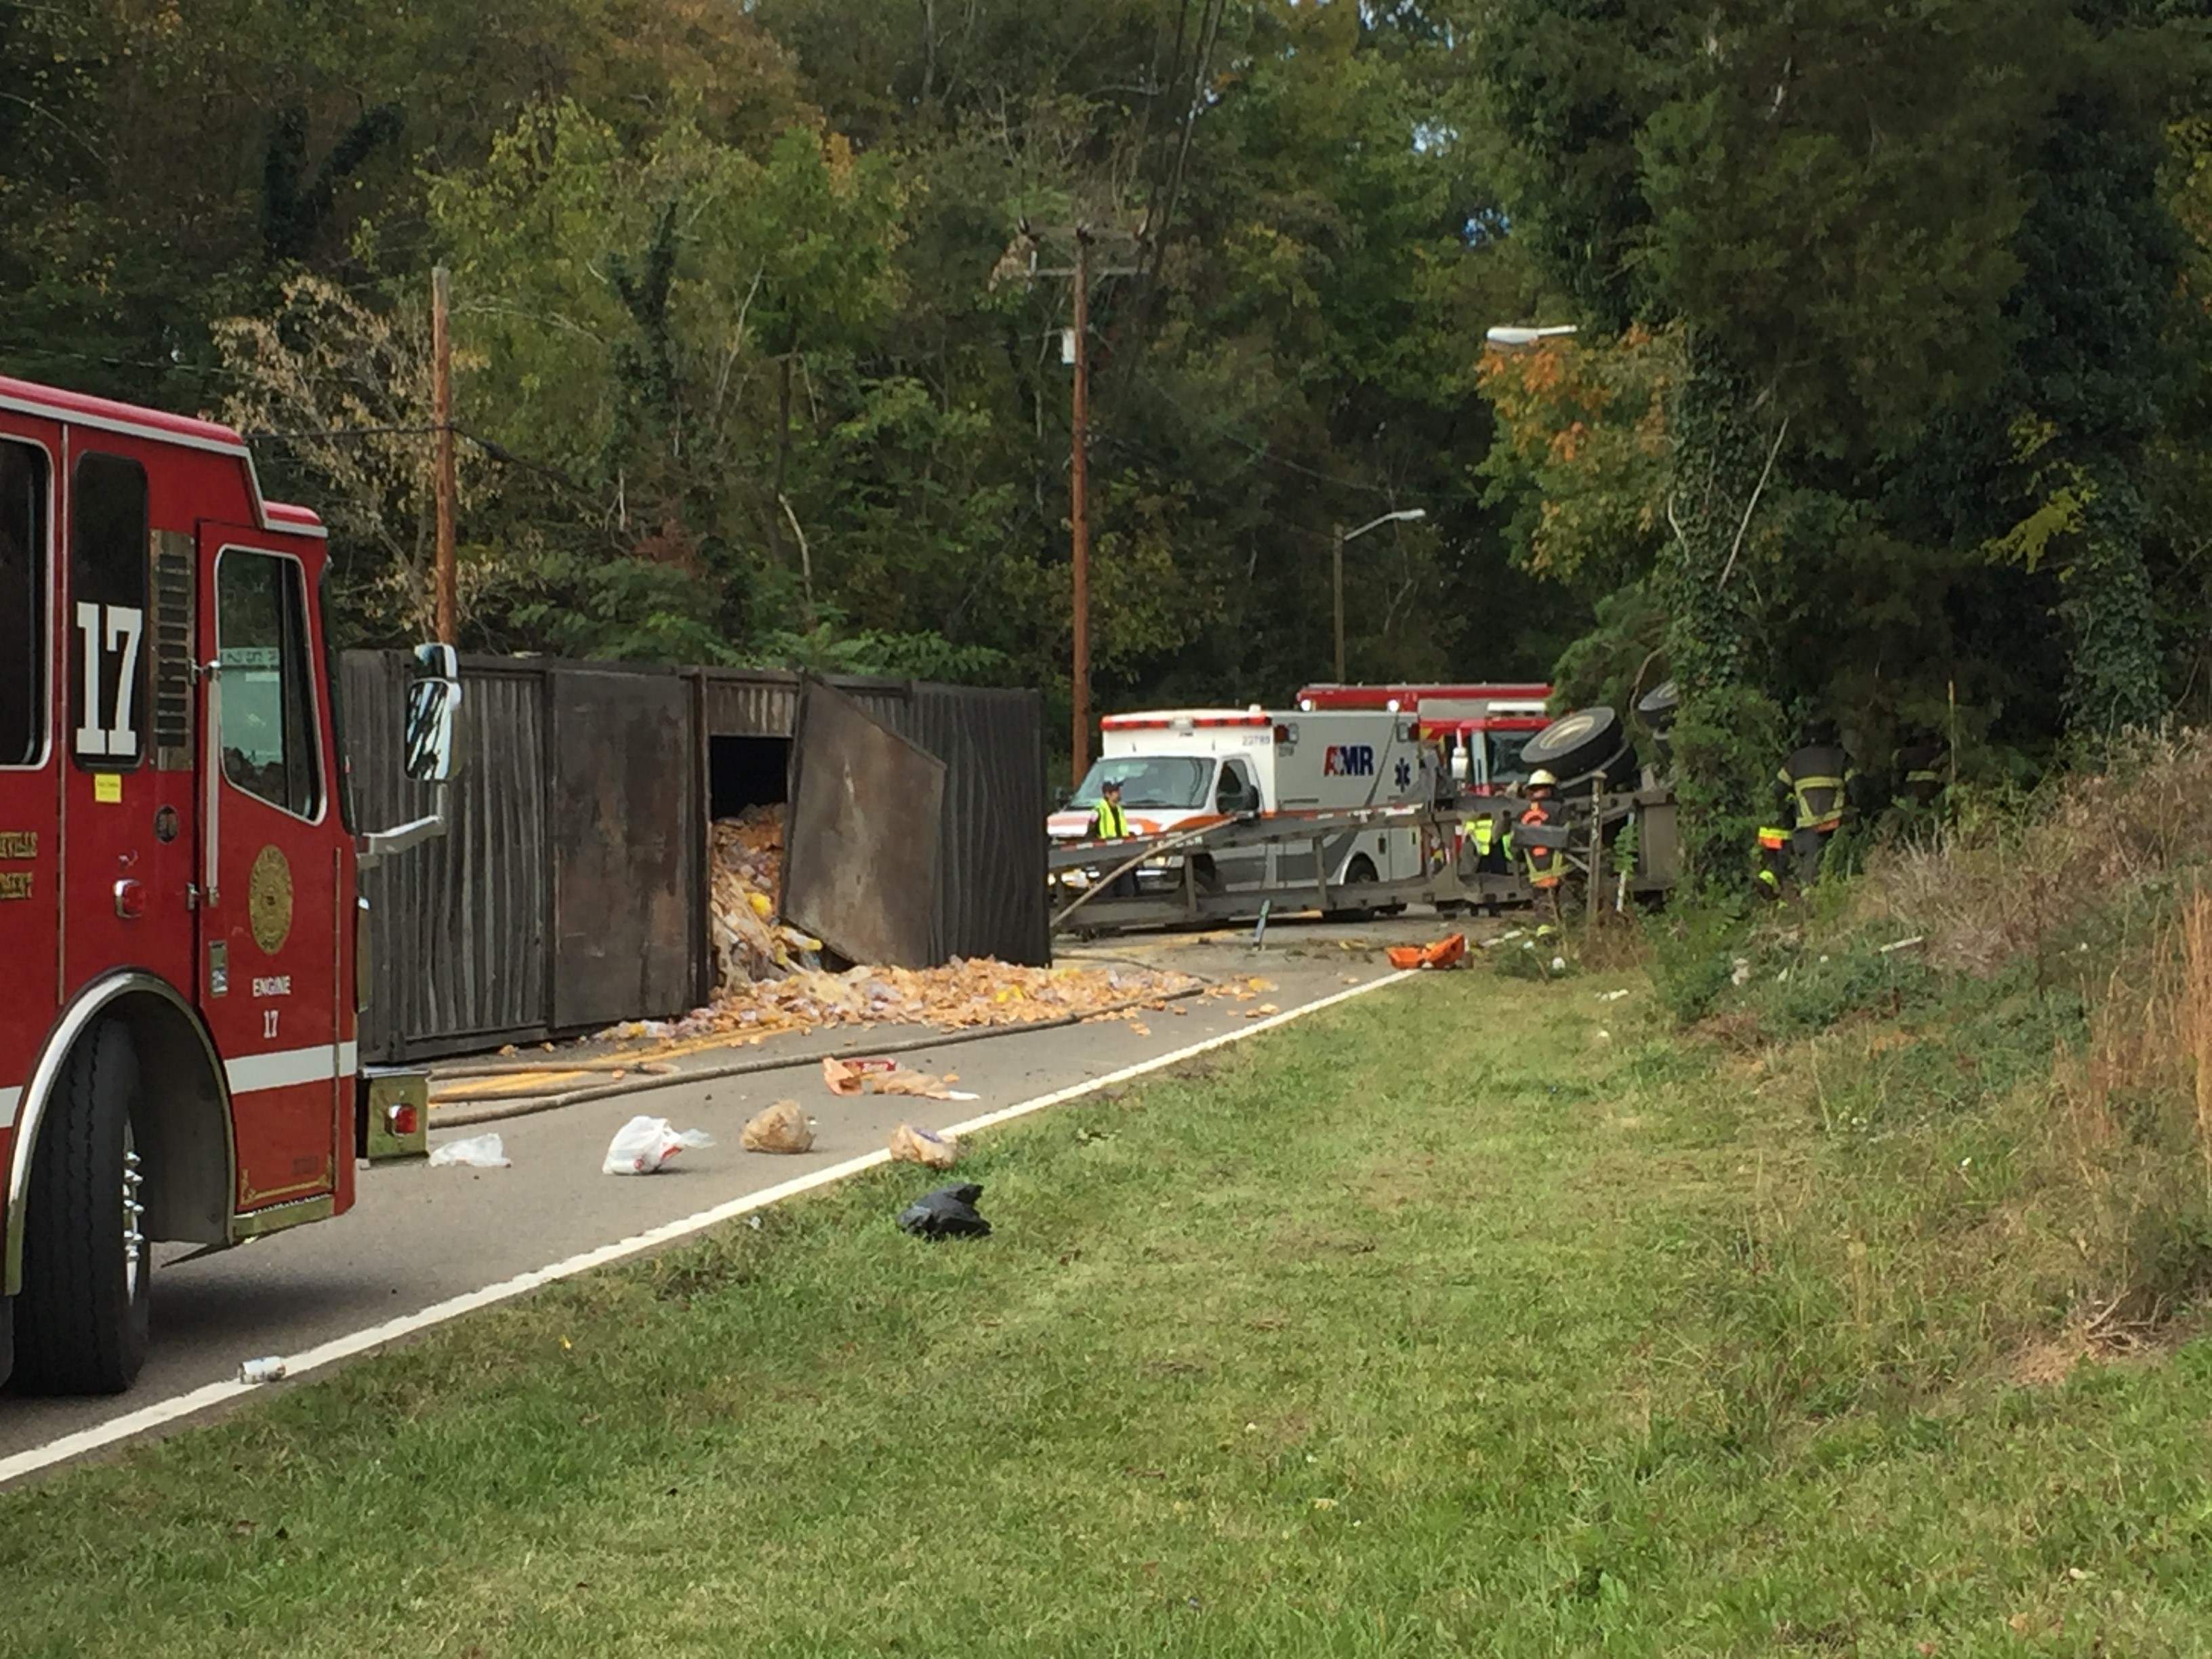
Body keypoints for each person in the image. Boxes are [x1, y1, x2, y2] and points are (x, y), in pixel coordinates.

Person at [1775, 720, 1855, 886]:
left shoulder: (1795, 760)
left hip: (1807, 827)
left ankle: (1808, 901)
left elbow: (1777, 791)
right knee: (1842, 870)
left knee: (1810, 875)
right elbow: (1858, 789)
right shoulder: (1841, 757)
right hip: (1837, 825)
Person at [1519, 768, 1566, 892]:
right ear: (1550, 789)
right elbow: (1570, 836)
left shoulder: (1521, 812)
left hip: (1537, 877)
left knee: (1543, 907)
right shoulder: (1559, 809)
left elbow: (1513, 845)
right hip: (1560, 874)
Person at [1089, 777, 1136, 899]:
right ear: (1108, 794)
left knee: (1127, 890)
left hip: (1122, 854)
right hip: (1106, 856)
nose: (1119, 793)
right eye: (1116, 791)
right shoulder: (1099, 811)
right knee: (1108, 891)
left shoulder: (1119, 810)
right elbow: (1090, 834)